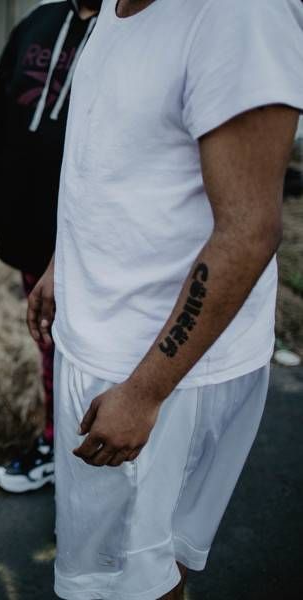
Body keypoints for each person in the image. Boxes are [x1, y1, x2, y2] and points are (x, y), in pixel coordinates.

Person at [26, 0, 303, 597]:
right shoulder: (113, 12)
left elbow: (249, 230)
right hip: (104, 344)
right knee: (124, 573)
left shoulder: (237, 15)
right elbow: (116, 164)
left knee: (134, 583)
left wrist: (146, 392)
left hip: (158, 371)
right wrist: (61, 262)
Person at [0, 0, 100, 494]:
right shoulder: (38, 22)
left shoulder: (130, 28)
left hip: (95, 241)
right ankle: (54, 444)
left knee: (94, 356)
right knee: (49, 345)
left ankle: (91, 471)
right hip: (29, 233)